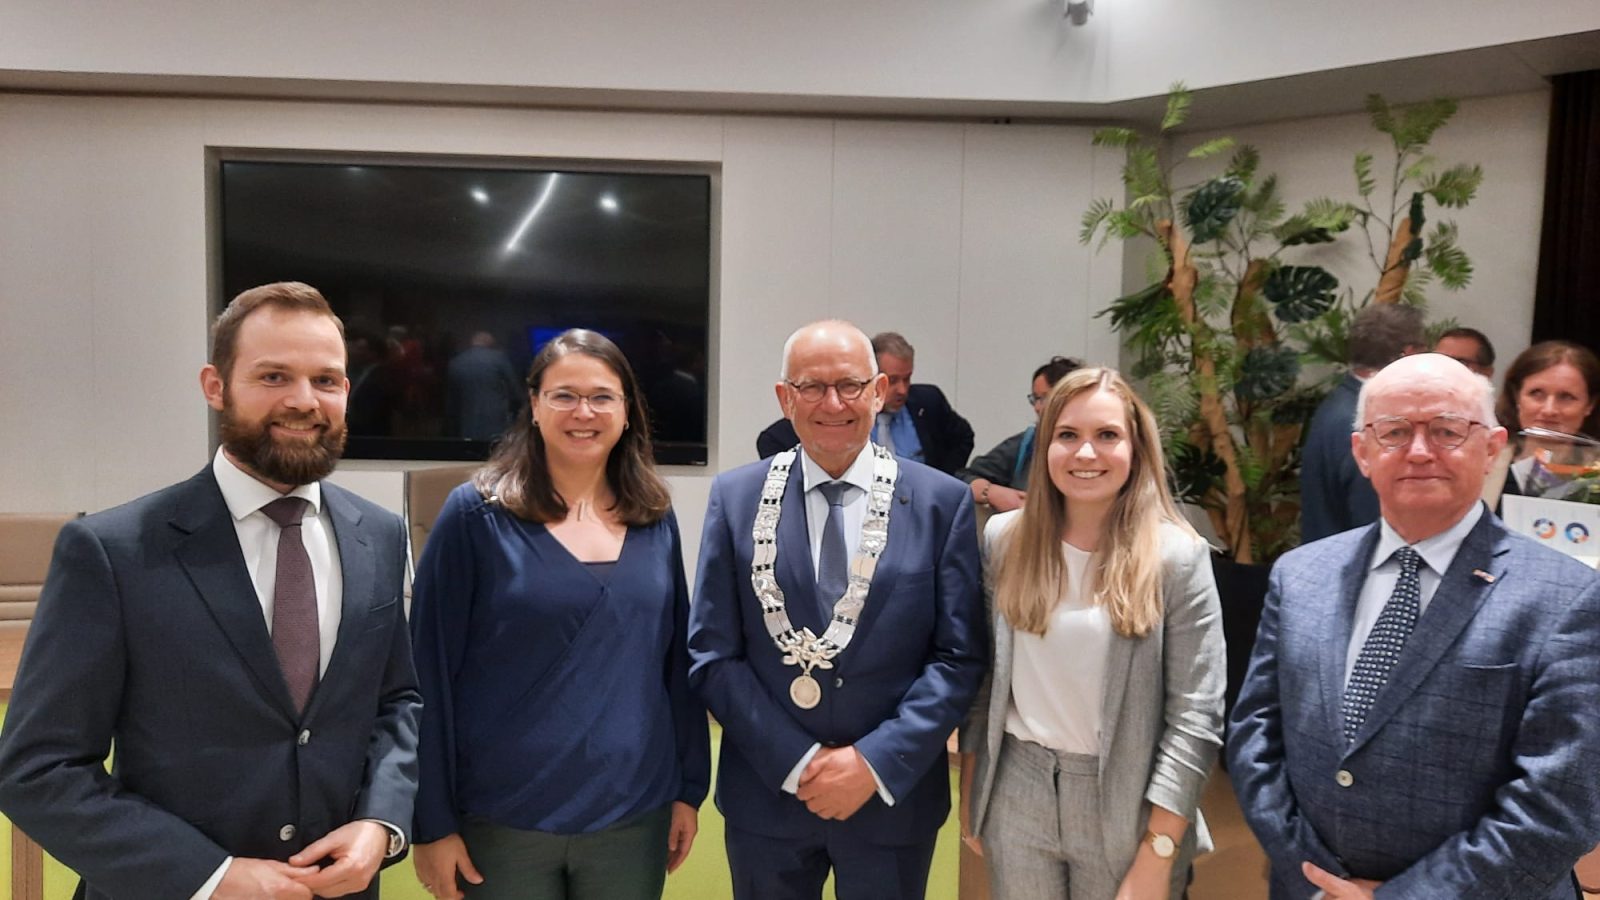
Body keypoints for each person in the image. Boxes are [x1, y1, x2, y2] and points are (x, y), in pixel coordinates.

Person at [0, 282, 421, 899]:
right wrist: (209, 876)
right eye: (273, 376)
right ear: (215, 386)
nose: (304, 400)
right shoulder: (113, 551)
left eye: (326, 380)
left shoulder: (378, 536)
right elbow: (38, 768)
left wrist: (381, 823)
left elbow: (397, 701)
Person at [1228, 352, 1600, 899]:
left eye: (1447, 430)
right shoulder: (1299, 575)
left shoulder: (1568, 596)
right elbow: (1255, 735)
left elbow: (1560, 800)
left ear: (1492, 447)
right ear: (1362, 452)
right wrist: (1314, 877)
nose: (1420, 451)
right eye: (1395, 431)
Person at [691, 320, 987, 900]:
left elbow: (958, 657)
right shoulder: (736, 499)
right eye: (811, 386)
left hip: (890, 802)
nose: (833, 404)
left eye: (850, 385)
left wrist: (872, 763)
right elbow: (713, 654)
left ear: (879, 391)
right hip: (769, 798)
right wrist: (798, 762)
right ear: (785, 398)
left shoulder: (940, 503)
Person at [409, 329, 710, 900]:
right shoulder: (474, 516)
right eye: (564, 395)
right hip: (503, 817)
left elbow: (675, 666)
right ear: (534, 405)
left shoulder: (654, 515)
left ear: (627, 411)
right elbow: (427, 674)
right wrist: (433, 821)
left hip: (632, 813)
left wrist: (687, 788)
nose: (583, 412)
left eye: (602, 397)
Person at [959, 367, 1226, 900]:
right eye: (1067, 435)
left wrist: (1160, 848)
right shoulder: (1005, 540)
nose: (1086, 453)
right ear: (1045, 445)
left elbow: (1196, 718)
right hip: (1017, 791)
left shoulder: (1177, 557)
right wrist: (975, 795)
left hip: (1129, 800)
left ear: (1136, 448)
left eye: (1107, 435)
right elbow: (986, 684)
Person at [756, 330, 975, 475]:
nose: (902, 390)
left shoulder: (927, 403)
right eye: (894, 381)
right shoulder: (834, 418)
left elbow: (963, 437)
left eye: (907, 379)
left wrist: (938, 480)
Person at [1299, 303, 1425, 543]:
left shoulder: (1339, 404)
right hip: (1357, 559)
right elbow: (1377, 524)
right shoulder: (1370, 420)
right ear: (1408, 354)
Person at [1483, 339, 1600, 508]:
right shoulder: (1483, 459)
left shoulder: (1596, 472)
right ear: (1517, 397)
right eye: (1536, 394)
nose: (1549, 410)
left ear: (1590, 405)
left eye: (1566, 397)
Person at [957, 356, 1083, 512]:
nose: (1037, 407)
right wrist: (991, 492)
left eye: (1045, 398)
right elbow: (963, 479)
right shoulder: (1027, 443)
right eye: (1035, 399)